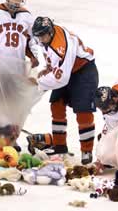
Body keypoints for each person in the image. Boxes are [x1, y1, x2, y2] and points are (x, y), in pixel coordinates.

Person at [31, 16, 99, 165]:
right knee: (56, 104)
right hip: (67, 71)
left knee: (83, 111)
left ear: (50, 32)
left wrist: (39, 82)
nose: (41, 39)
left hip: (83, 71)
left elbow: (62, 79)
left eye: (43, 35)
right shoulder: (46, 37)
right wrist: (48, 69)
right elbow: (54, 63)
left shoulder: (61, 46)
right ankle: (60, 146)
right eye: (38, 36)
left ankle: (86, 150)